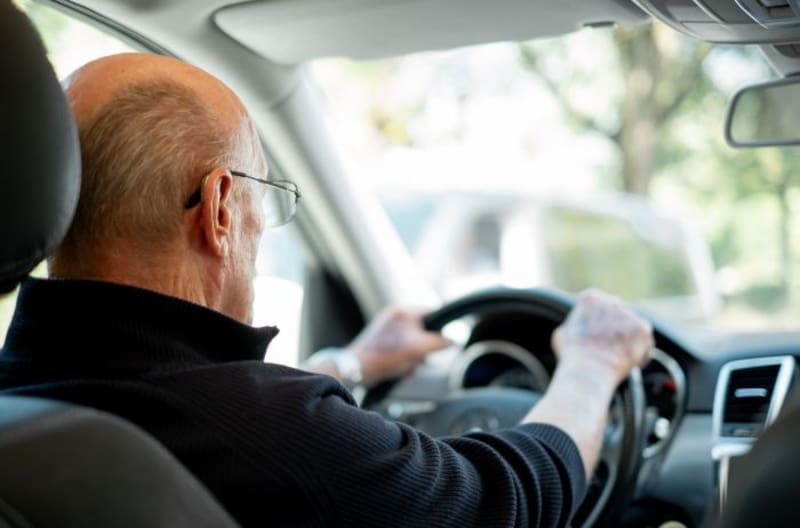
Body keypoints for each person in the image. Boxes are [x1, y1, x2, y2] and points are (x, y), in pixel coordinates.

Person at [0, 52, 653, 527]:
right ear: (220, 208)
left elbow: (190, 409)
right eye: (262, 194)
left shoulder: (24, 401)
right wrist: (592, 366)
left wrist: (351, 364)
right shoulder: (278, 437)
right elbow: (504, 498)